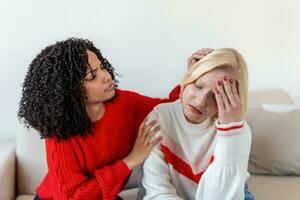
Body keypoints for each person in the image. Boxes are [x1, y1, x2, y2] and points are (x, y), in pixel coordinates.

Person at [18, 37, 212, 200]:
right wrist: (131, 160)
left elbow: (169, 108)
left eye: (102, 67)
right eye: (92, 76)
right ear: (69, 91)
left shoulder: (124, 103)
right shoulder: (60, 132)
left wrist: (191, 75)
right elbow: (73, 196)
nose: (106, 76)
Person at [142, 48, 254, 200]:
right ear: (187, 80)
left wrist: (231, 132)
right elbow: (158, 193)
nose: (201, 102)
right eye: (198, 86)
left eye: (216, 97)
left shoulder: (239, 132)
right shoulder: (159, 118)